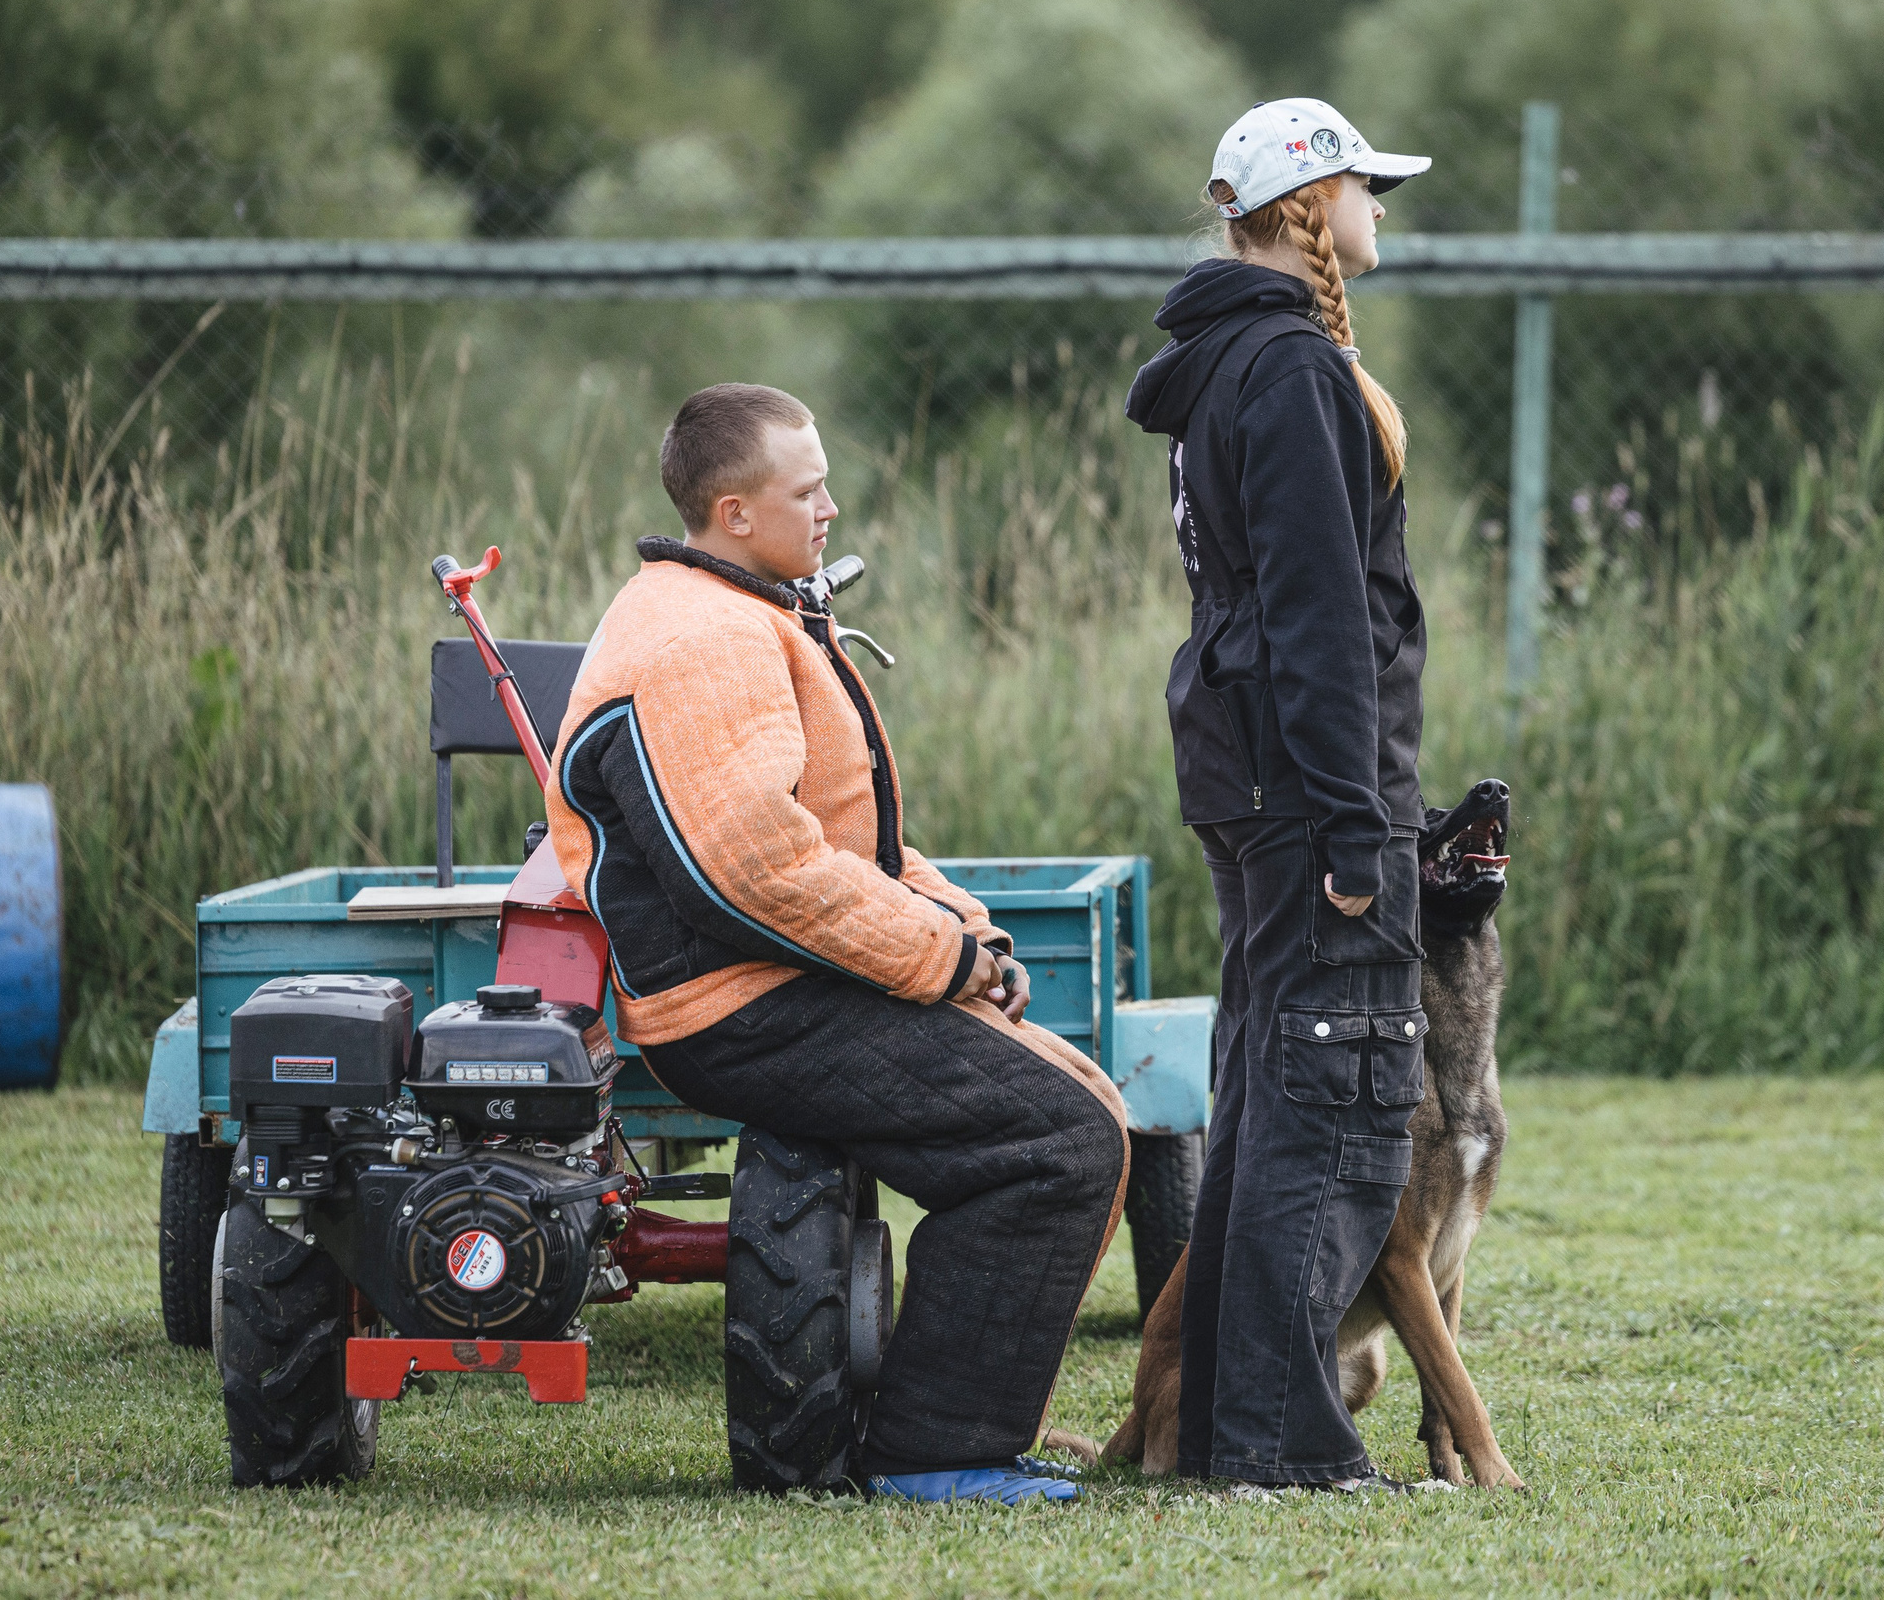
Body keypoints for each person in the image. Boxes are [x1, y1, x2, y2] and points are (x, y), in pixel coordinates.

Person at [543, 382, 1128, 1505]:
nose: (831, 509)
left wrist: (964, 929)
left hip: (773, 980)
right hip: (732, 1005)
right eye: (806, 491)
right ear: (735, 512)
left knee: (1075, 1110)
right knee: (1055, 1144)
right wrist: (945, 962)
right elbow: (751, 875)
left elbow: (845, 840)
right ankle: (935, 1456)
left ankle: (953, 1431)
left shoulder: (738, 605)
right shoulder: (701, 639)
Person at [1123, 99, 1433, 1489]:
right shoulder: (1293, 369)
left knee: (1268, 1085)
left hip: (1245, 772)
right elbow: (1320, 615)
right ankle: (1280, 1442)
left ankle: (1222, 1429)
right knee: (1336, 1088)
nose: (1385, 208)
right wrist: (1360, 826)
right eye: (1371, 184)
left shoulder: (1222, 365)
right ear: (1316, 199)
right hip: (1312, 791)